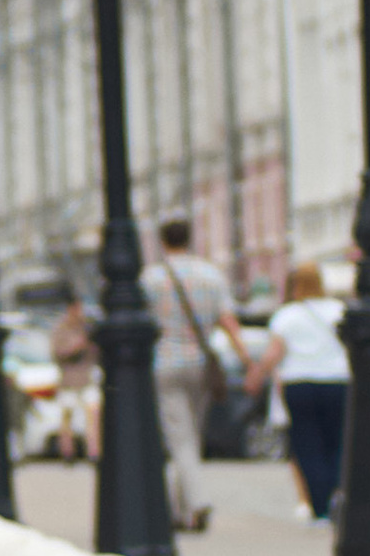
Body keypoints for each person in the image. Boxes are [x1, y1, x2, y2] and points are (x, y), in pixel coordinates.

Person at [141, 213, 238, 535]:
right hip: (200, 363)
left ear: (163, 241)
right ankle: (183, 511)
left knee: (179, 439)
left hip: (164, 363)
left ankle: (195, 503)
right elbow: (227, 319)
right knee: (189, 437)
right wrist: (246, 359)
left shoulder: (151, 279)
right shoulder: (210, 275)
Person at [250, 258, 349, 523]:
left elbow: (274, 354)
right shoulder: (339, 311)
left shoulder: (287, 315)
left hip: (299, 384)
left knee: (307, 446)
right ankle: (339, 497)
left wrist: (256, 374)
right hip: (337, 381)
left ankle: (319, 507)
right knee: (337, 443)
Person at [46, 291, 98, 464]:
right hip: (68, 381)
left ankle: (94, 452)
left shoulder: (86, 328)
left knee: (94, 415)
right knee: (67, 418)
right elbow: (57, 352)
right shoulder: (61, 329)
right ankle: (67, 453)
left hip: (86, 378)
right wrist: (76, 347)